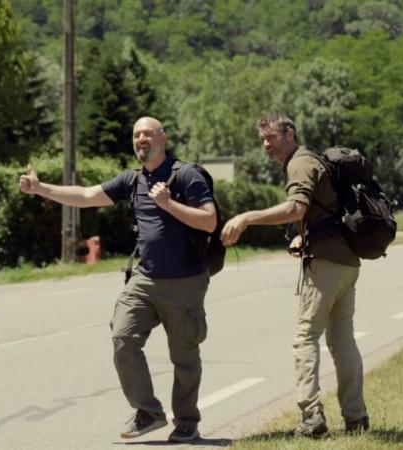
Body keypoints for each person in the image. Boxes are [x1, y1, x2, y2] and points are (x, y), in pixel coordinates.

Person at [19, 117, 217, 443]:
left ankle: (186, 421)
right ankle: (148, 412)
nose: (141, 139)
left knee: (183, 356)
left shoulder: (186, 175)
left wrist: (169, 203)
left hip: (185, 281)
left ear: (163, 138)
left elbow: (209, 221)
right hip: (145, 278)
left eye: (148, 134)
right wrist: (41, 189)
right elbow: (85, 195)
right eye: (136, 134)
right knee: (123, 337)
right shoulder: (133, 179)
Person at [221, 114, 369, 437]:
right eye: (262, 139)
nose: (266, 145)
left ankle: (312, 418)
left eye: (271, 137)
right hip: (346, 261)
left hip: (327, 263)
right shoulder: (312, 160)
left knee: (305, 338)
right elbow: (321, 212)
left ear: (290, 133)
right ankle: (356, 418)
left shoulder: (299, 163)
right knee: (342, 339)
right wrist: (304, 235)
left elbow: (296, 208)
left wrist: (246, 218)